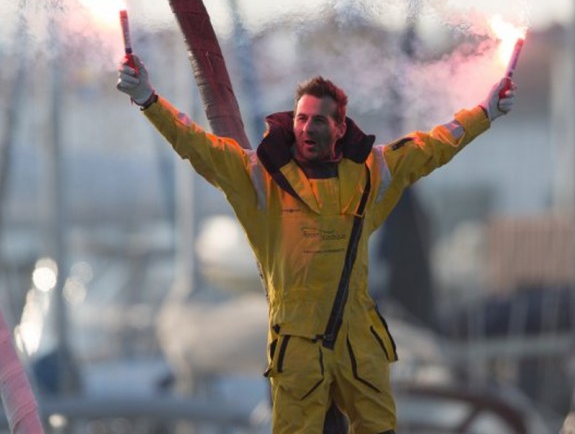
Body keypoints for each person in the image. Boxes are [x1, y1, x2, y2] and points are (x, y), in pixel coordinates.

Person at [117, 55, 516, 434]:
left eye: (319, 121)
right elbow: (194, 143)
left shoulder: (372, 172)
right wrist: (147, 99)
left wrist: (486, 112)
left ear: (340, 127)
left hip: (357, 340)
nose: (308, 129)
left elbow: (435, 145)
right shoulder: (260, 178)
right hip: (298, 344)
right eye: (301, 119)